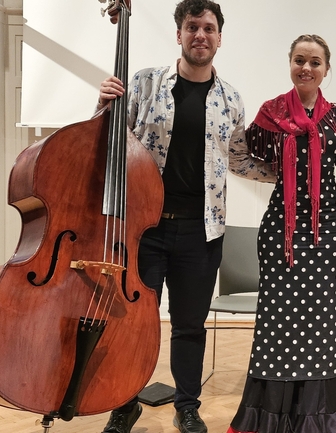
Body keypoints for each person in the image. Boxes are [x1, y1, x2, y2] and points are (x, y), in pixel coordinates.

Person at [95, 1, 244, 432]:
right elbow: (107, 137)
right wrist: (102, 104)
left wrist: (292, 170)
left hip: (201, 231)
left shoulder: (230, 98)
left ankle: (187, 405)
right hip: (145, 226)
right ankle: (123, 403)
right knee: (130, 323)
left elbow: (239, 159)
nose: (201, 34)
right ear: (179, 34)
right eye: (193, 26)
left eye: (209, 28)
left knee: (189, 325)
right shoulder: (143, 83)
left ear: (219, 37)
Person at [227, 34, 336, 433]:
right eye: (300, 60)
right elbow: (237, 156)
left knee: (325, 323)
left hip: (328, 231)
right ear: (290, 63)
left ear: (326, 69)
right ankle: (274, 414)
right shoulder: (271, 112)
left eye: (315, 62)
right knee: (278, 324)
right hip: (282, 233)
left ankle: (321, 413)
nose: (307, 68)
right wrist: (278, 176)